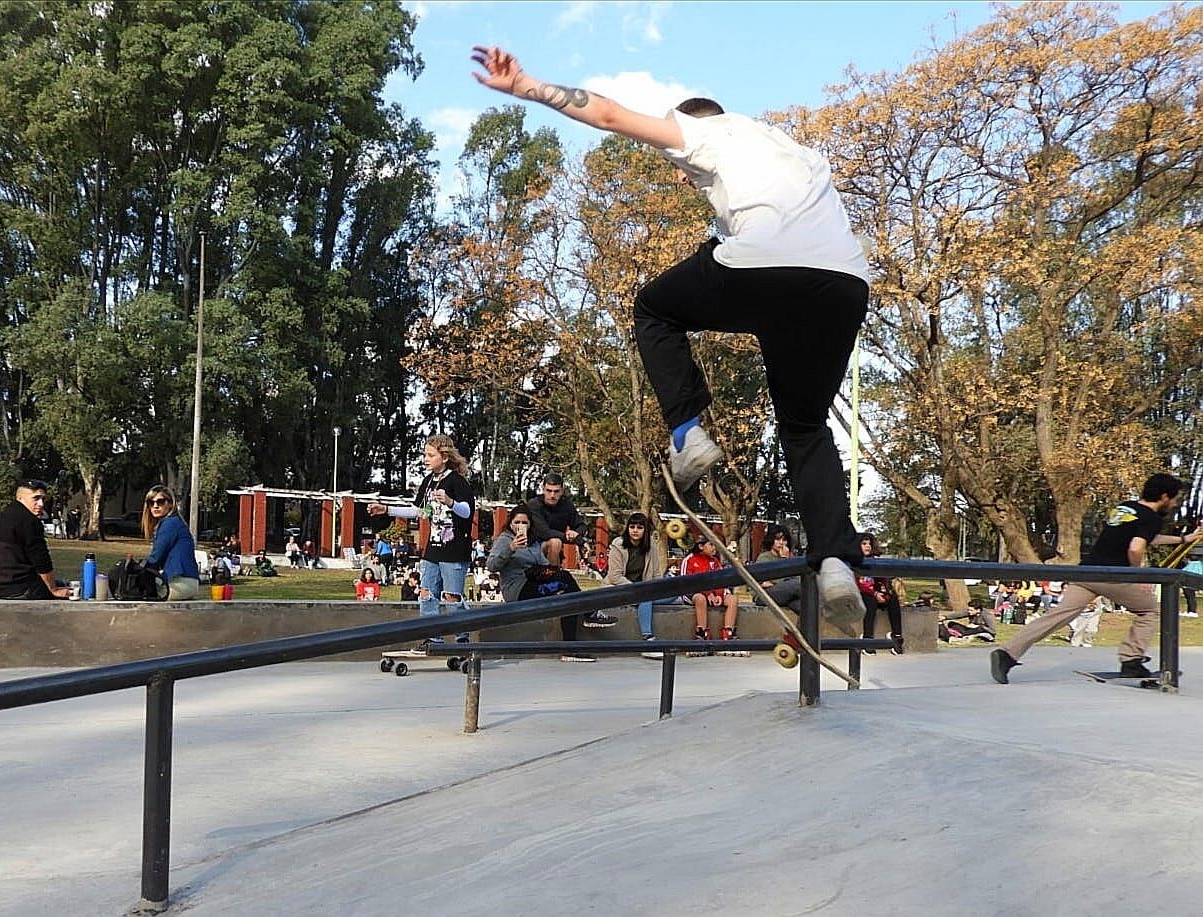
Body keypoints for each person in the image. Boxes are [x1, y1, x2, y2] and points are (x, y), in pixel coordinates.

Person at [471, 45, 869, 633]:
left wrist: (527, 85)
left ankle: (687, 431)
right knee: (806, 428)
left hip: (767, 266)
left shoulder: (708, 131)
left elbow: (608, 113)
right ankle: (836, 557)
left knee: (654, 307)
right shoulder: (792, 149)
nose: (684, 175)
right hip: (844, 283)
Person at [991, 473, 1203, 683]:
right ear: (1164, 497)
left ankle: (1007, 654)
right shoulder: (1152, 518)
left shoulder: (1126, 508)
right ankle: (1131, 660)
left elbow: (1144, 538)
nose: (1175, 503)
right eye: (1175, 499)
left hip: (1088, 572)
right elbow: (1136, 547)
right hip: (1112, 575)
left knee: (1057, 616)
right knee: (1151, 609)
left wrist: (1184, 539)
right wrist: (1137, 574)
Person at [370, 434, 476, 648]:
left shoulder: (457, 481)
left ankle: (462, 638)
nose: (425, 459)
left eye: (430, 455)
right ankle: (432, 636)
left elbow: (467, 512)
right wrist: (387, 510)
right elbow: (418, 511)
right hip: (433, 548)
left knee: (452, 596)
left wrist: (450, 501)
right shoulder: (428, 482)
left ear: (444, 457)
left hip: (455, 548)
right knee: (426, 592)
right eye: (424, 455)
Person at [487, 504, 617, 662]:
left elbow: (542, 565)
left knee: (568, 595)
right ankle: (588, 613)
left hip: (534, 583)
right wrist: (511, 548)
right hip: (517, 589)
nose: (521, 526)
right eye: (517, 522)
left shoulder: (533, 541)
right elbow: (491, 565)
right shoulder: (505, 540)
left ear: (530, 524)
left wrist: (550, 571)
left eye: (524, 523)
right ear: (510, 523)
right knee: (565, 582)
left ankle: (570, 650)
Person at [0, 479, 70, 599]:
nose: (41, 504)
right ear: (20, 498)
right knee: (71, 590)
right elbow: (41, 560)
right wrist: (53, 590)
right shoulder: (29, 521)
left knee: (62, 584)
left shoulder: (2, 517)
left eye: (43, 499)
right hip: (17, 587)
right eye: (36, 498)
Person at [605, 513, 669, 658]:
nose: (635, 530)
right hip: (621, 588)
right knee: (646, 597)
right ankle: (647, 639)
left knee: (674, 595)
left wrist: (660, 588)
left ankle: (644, 600)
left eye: (639, 527)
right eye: (632, 527)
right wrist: (638, 589)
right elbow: (615, 577)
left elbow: (656, 574)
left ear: (645, 530)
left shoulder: (651, 545)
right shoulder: (618, 545)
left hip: (643, 588)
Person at [680, 536, 741, 653]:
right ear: (701, 546)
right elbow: (686, 582)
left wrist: (719, 594)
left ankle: (728, 632)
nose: (715, 548)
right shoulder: (689, 560)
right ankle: (702, 633)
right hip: (693, 594)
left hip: (713, 594)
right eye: (712, 544)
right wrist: (708, 594)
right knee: (700, 599)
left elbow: (721, 580)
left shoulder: (715, 561)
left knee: (733, 599)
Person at [142, 485, 200, 601]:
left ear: (170, 504)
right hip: (186, 582)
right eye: (151, 502)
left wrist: (139, 569)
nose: (155, 506)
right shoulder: (174, 522)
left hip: (180, 582)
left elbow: (156, 556)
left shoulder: (170, 524)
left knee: (136, 593)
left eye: (160, 502)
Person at [526, 473, 588, 567]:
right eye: (549, 491)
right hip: (533, 548)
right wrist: (577, 540)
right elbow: (545, 532)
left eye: (556, 491)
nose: (552, 495)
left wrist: (576, 534)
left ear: (562, 491)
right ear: (543, 488)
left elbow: (581, 525)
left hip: (556, 551)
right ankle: (552, 578)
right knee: (555, 542)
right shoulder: (534, 505)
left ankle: (554, 574)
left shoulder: (566, 505)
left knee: (556, 542)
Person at [857, 533, 904, 655]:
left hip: (877, 592)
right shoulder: (854, 561)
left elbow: (883, 580)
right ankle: (867, 639)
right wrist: (875, 593)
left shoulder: (876, 560)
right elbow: (860, 583)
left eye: (869, 544)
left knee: (893, 599)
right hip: (861, 593)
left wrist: (884, 594)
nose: (867, 546)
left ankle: (897, 636)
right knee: (870, 600)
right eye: (864, 544)